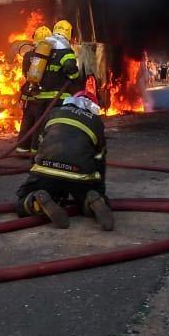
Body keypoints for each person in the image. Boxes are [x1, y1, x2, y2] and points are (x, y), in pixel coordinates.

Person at [15, 85, 113, 230]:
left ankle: (37, 202)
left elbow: (37, 146)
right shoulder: (96, 122)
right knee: (84, 196)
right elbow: (99, 159)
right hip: (78, 174)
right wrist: (99, 190)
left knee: (23, 200)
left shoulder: (54, 112)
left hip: (46, 169)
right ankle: (92, 201)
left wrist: (35, 174)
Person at [15, 19, 81, 155]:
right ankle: (52, 152)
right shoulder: (65, 51)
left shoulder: (44, 51)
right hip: (57, 97)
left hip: (39, 95)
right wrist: (74, 78)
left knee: (37, 124)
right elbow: (71, 71)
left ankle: (31, 151)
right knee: (55, 124)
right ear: (68, 33)